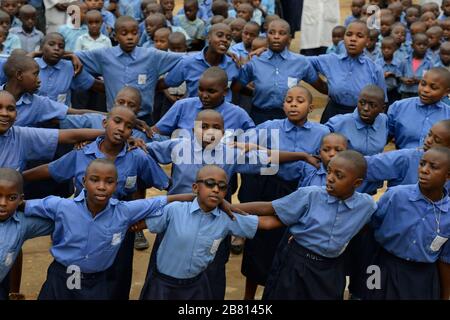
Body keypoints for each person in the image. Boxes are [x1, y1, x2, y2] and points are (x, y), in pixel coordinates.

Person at [22, 106, 169, 300]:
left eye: (128, 126)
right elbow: (52, 169)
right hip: (83, 220)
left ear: (132, 131)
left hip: (119, 225)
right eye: (117, 121)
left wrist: (147, 222)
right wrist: (18, 178)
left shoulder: (138, 156)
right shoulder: (82, 152)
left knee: (117, 278)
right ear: (105, 123)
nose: (121, 128)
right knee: (76, 274)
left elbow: (164, 184)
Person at [22, 158, 194, 300]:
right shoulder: (60, 206)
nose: (102, 186)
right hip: (61, 278)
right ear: (83, 181)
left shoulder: (124, 211)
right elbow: (22, 205)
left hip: (97, 282)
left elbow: (159, 202)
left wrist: (198, 198)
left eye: (109, 181)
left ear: (116, 184)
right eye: (94, 180)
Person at [232, 150, 378, 300]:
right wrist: (228, 208)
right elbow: (269, 207)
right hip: (298, 261)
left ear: (357, 183)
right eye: (329, 172)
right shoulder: (310, 195)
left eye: (338, 175)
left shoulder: (367, 205)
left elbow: (366, 227)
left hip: (332, 268)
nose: (330, 178)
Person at [139, 165, 283, 300]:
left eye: (222, 187)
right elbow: (140, 223)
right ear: (195, 187)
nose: (216, 189)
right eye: (209, 183)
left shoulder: (227, 218)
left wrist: (297, 213)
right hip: (163, 285)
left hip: (196, 285)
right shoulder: (175, 210)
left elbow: (267, 223)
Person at [366, 147, 450, 300]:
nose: (424, 170)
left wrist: (445, 295)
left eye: (433, 167)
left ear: (448, 175)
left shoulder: (448, 214)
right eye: (422, 164)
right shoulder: (395, 195)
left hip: (421, 277)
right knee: (372, 294)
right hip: (381, 265)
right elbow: (371, 226)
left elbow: (445, 258)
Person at [73, 15, 182, 124]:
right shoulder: (104, 55)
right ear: (115, 36)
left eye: (134, 33)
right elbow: (72, 58)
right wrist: (88, 80)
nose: (130, 37)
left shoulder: (152, 56)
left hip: (144, 118)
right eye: (124, 34)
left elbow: (184, 60)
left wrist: (167, 82)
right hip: (114, 119)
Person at [236, 19, 320, 125]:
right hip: (259, 116)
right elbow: (236, 87)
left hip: (288, 118)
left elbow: (322, 87)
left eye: (282, 33)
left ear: (289, 38)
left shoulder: (301, 62)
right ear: (266, 36)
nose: (276, 37)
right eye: (271, 33)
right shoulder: (255, 60)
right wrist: (257, 92)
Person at [308, 21, 386, 123]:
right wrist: (318, 83)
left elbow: (382, 103)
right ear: (343, 39)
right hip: (332, 114)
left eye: (359, 36)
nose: (353, 39)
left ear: (367, 41)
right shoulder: (331, 60)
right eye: (349, 35)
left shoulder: (375, 69)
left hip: (361, 117)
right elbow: (303, 63)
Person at [0, 168, 54, 300]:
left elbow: (60, 219)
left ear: (21, 199)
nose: (2, 203)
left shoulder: (22, 224)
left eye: (11, 198)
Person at [388, 67, 450, 150]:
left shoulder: (448, 115)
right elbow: (382, 140)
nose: (425, 90)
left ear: (446, 92)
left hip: (436, 162)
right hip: (404, 161)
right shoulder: (399, 107)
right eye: (423, 84)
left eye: (433, 87)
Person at [326, 85, 387, 156]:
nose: (366, 108)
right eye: (362, 103)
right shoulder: (340, 122)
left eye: (372, 105)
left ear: (382, 109)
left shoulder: (384, 120)